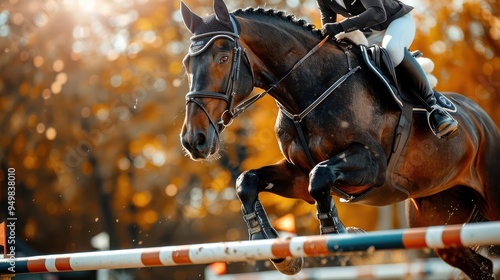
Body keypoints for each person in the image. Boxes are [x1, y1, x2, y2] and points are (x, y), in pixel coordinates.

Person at [318, 0, 458, 139]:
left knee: (392, 49)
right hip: (370, 31)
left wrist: (340, 26)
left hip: (396, 21)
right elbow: (328, 26)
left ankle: (434, 109)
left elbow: (378, 13)